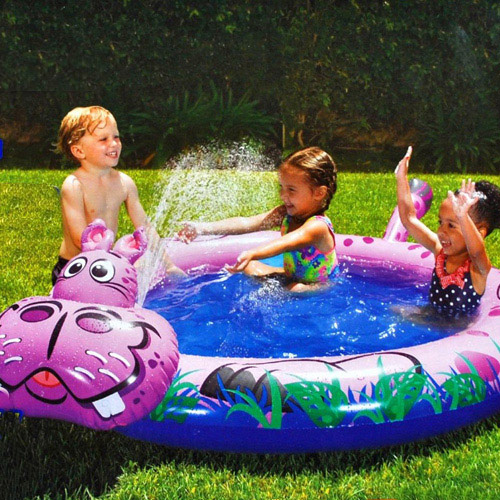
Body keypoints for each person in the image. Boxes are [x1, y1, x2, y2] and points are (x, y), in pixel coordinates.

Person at [52, 105, 183, 285]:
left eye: (116, 136)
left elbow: (145, 226)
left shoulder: (124, 183)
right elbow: (79, 238)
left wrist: (168, 265)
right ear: (79, 151)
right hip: (75, 267)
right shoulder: (74, 185)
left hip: (105, 263)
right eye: (103, 139)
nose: (113, 144)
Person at [178, 147, 338, 292]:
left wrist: (253, 252)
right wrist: (203, 229)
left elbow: (286, 243)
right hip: (291, 276)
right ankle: (279, 288)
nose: (283, 195)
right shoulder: (285, 214)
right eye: (281, 187)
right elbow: (247, 222)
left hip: (320, 285)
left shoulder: (318, 226)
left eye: (291, 190)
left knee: (295, 289)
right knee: (249, 267)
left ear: (319, 193)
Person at [395, 146, 500, 316]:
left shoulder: (477, 268)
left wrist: (463, 216)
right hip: (430, 320)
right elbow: (409, 219)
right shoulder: (440, 252)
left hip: (458, 334)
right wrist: (401, 178)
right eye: (440, 222)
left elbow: (476, 250)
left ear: (479, 232)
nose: (442, 231)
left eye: (451, 225)